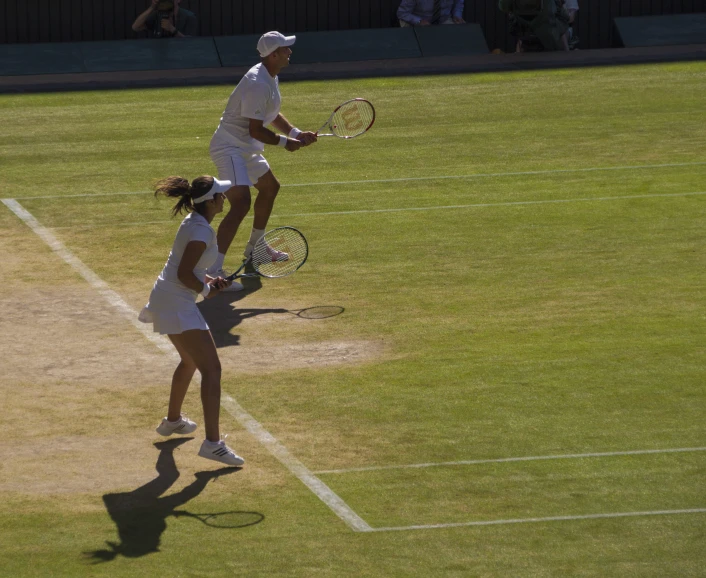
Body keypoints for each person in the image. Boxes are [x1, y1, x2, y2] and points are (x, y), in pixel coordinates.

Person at [138, 175, 244, 467]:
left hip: (167, 297)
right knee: (212, 369)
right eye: (220, 195)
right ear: (210, 201)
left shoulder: (195, 222)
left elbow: (189, 270)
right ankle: (213, 444)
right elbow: (185, 274)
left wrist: (209, 280)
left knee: (190, 361)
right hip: (175, 302)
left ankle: (172, 421)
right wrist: (207, 290)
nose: (224, 198)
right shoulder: (201, 232)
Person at [206, 31, 318, 289]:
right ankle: (213, 270)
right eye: (285, 49)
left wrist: (295, 133)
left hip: (244, 147)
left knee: (270, 188)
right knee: (241, 203)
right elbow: (255, 130)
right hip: (229, 147)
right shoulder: (258, 83)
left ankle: (257, 249)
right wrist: (284, 143)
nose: (290, 52)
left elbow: (272, 114)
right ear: (273, 54)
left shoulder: (270, 76)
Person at [132, 0, 197, 38]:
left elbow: (190, 43)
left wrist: (172, 30)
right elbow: (135, 27)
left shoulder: (189, 17)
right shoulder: (157, 14)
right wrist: (152, 7)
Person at [397, 0, 466, 27]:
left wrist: (457, 15)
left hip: (443, 20)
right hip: (417, 22)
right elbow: (402, 13)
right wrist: (418, 21)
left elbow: (458, 3)